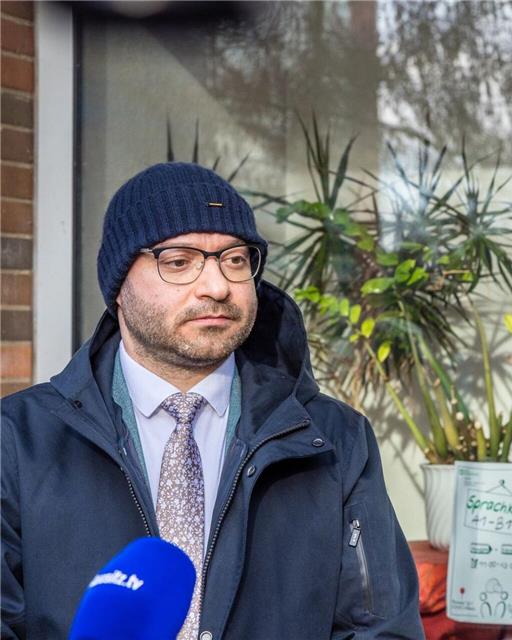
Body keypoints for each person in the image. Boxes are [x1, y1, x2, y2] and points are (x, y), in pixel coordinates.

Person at [1, 163, 424, 639]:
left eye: (235, 260)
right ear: (119, 287)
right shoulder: (16, 441)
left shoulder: (333, 440)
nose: (217, 286)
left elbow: (382, 629)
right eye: (179, 261)